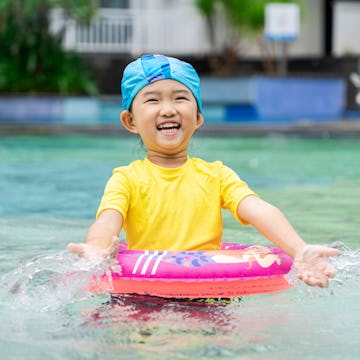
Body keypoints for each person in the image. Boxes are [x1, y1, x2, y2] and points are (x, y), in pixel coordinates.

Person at [68, 54, 339, 288]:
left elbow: (259, 209)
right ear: (130, 121)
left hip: (209, 293)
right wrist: (97, 248)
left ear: (197, 117)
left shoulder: (217, 176)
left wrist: (299, 250)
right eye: (152, 100)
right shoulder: (126, 179)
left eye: (180, 98)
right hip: (144, 292)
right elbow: (107, 221)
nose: (168, 109)